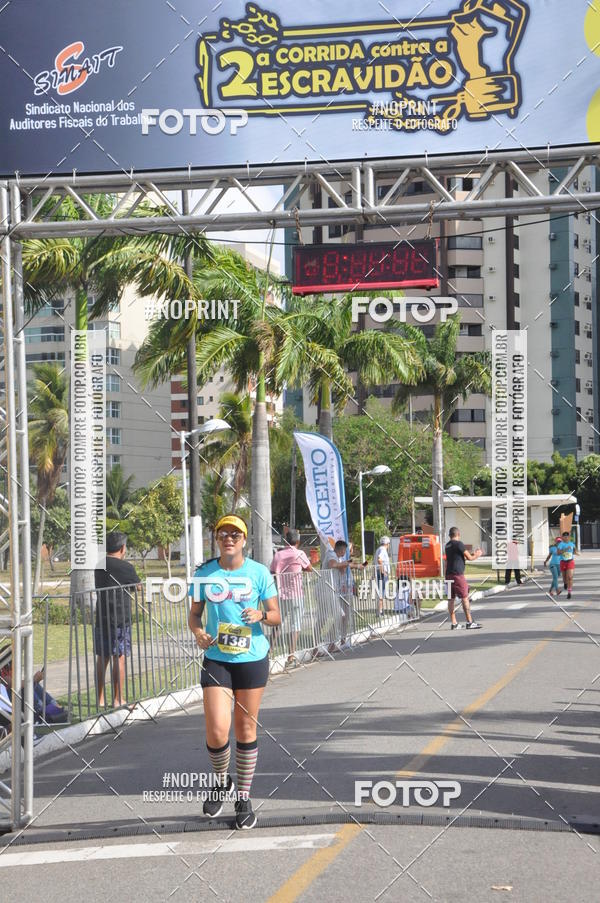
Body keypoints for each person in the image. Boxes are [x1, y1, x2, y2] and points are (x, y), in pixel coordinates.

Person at [188, 514, 280, 830]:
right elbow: (194, 616)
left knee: (245, 730)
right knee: (216, 729)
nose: (229, 538)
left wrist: (261, 614)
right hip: (217, 658)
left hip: (252, 658)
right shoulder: (204, 573)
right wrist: (199, 633)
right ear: (216, 538)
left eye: (235, 534)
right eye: (223, 533)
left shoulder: (258, 572)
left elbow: (277, 615)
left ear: (244, 540)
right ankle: (221, 782)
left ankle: (243, 797)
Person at [94, 531, 140, 708]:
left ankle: (100, 700)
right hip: (120, 619)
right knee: (119, 658)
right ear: (123, 548)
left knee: (102, 658)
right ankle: (118, 699)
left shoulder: (98, 565)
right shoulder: (126, 567)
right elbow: (137, 586)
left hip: (102, 617)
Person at [270, 529, 312, 665]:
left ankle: (269, 652)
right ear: (298, 541)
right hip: (297, 594)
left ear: (285, 540)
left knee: (277, 624)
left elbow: (272, 570)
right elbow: (309, 568)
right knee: (296, 625)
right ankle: (291, 655)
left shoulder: (278, 555)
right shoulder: (299, 553)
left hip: (282, 594)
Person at [445, 527, 483, 629]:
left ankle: (454, 623)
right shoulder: (459, 544)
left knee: (451, 599)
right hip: (457, 575)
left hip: (448, 574)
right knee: (465, 598)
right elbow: (469, 558)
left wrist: (472, 554)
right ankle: (469, 622)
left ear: (450, 535)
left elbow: (460, 556)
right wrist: (477, 554)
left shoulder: (447, 545)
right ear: (458, 534)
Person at [322, 539, 355, 650]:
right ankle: (328, 640)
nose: (345, 553)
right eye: (345, 550)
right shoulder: (331, 554)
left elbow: (341, 570)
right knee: (337, 616)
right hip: (327, 590)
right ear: (341, 549)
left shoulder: (339, 557)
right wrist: (346, 563)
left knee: (342, 616)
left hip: (336, 590)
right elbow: (332, 565)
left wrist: (346, 565)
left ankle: (334, 642)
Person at [557, 530, 579, 599]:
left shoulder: (572, 544)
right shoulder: (561, 544)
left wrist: (577, 553)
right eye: (565, 536)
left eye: (567, 536)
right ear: (562, 537)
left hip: (570, 561)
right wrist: (565, 549)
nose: (566, 538)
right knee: (564, 578)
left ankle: (569, 592)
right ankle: (565, 583)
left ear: (569, 537)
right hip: (563, 562)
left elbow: (575, 551)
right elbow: (558, 553)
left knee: (570, 577)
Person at [374, 536, 391, 617]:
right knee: (382, 592)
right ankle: (379, 611)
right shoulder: (383, 550)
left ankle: (381, 610)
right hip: (381, 573)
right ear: (387, 544)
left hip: (378, 572)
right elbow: (379, 559)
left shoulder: (378, 549)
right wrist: (382, 570)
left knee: (381, 592)